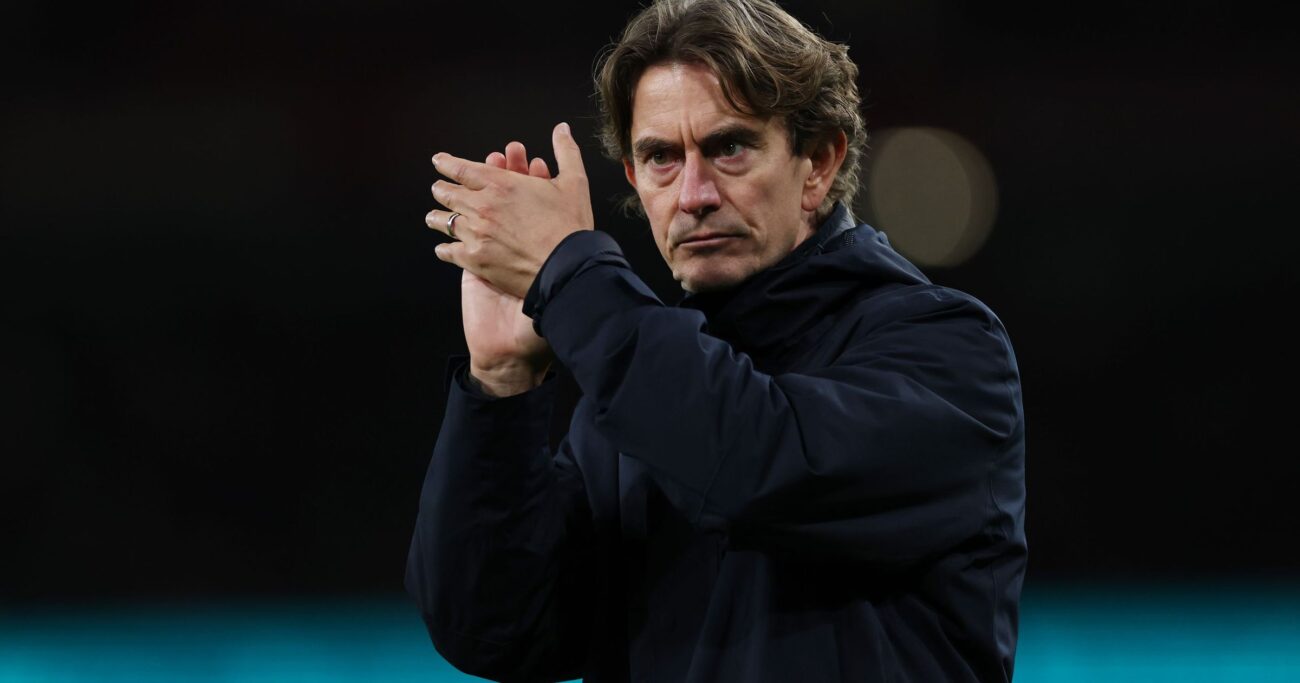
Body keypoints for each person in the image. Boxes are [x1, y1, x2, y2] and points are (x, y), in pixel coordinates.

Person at [406, 0, 1026, 680]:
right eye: (662, 158)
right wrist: (501, 385)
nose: (693, 194)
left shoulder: (948, 351)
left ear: (818, 162)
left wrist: (574, 275)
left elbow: (759, 469)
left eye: (729, 147)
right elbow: (494, 628)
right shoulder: (634, 402)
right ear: (634, 180)